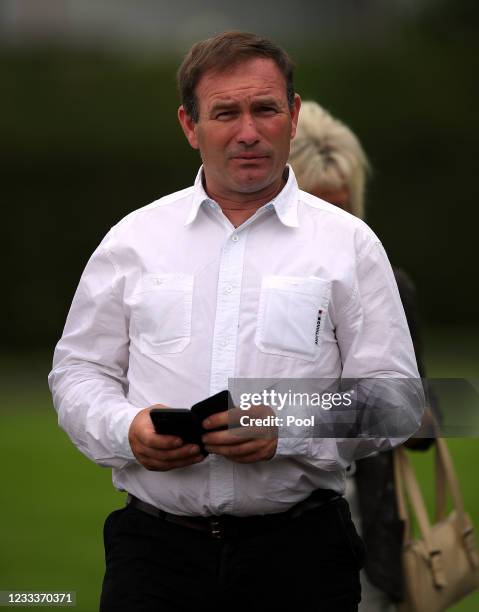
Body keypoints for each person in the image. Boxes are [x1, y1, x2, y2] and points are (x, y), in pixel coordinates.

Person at [48, 32, 424, 612]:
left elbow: (397, 403)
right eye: (225, 112)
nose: (248, 131)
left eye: (265, 109)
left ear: (292, 116)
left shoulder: (348, 244)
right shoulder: (133, 240)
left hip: (302, 556)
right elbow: (78, 372)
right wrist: (127, 429)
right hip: (154, 555)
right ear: (190, 125)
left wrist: (287, 425)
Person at [289, 100, 435, 612]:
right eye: (316, 207)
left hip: (361, 529)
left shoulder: (387, 286)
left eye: (342, 209)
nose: (331, 225)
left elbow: (424, 419)